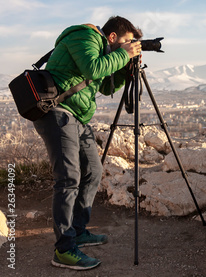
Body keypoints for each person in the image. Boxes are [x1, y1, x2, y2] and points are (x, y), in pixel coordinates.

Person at [33, 16, 142, 270]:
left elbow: (104, 85)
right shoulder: (85, 36)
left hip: (76, 116)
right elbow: (93, 68)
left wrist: (126, 70)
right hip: (57, 112)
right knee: (68, 178)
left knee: (93, 170)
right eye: (127, 42)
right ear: (113, 37)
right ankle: (64, 249)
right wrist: (124, 55)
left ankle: (78, 230)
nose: (129, 46)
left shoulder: (104, 50)